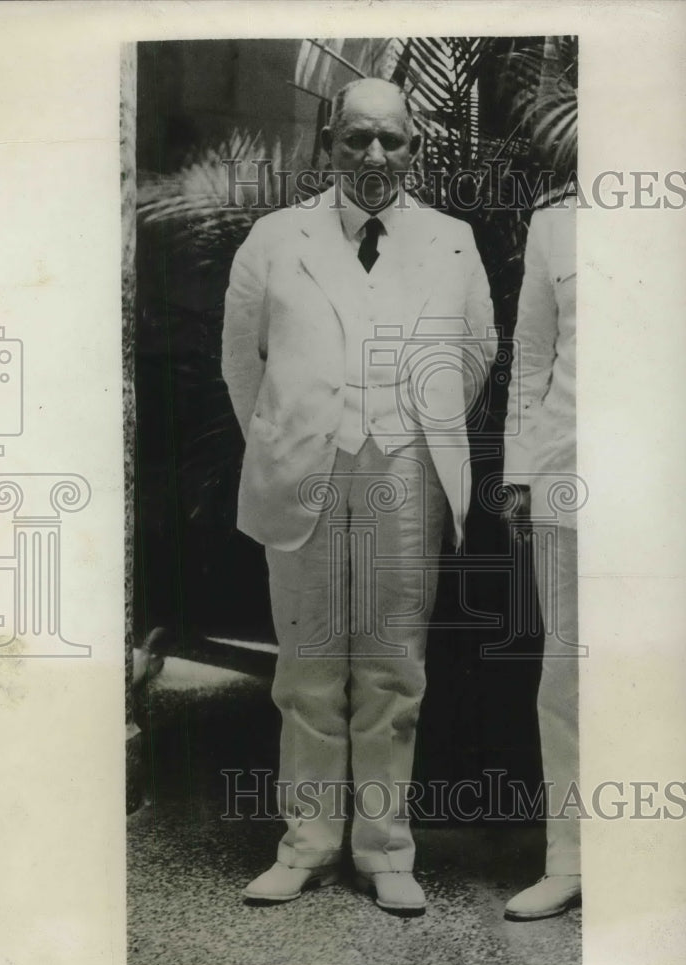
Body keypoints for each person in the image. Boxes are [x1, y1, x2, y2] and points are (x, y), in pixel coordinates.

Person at [222, 78, 495, 914]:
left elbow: (477, 354)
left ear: (413, 148)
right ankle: (304, 846)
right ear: (328, 145)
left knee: (391, 670)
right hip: (305, 468)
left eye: (391, 141)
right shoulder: (275, 238)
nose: (373, 156)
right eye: (355, 140)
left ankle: (384, 850)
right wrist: (296, 432)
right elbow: (243, 363)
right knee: (305, 671)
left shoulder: (451, 241)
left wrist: (414, 427)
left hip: (404, 472)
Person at [502, 192, 581, 920]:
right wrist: (521, 473)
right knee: (565, 673)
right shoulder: (556, 221)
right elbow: (530, 356)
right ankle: (570, 860)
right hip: (569, 471)